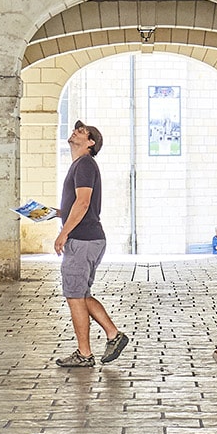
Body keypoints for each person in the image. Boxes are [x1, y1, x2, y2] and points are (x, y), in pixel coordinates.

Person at [53, 120, 130, 367]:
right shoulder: (80, 165)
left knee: (74, 296)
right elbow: (79, 205)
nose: (75, 131)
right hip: (89, 237)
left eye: (82, 131)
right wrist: (56, 213)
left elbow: (84, 203)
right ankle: (113, 335)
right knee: (80, 294)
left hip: (82, 239)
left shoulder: (85, 163)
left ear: (91, 143)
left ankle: (85, 354)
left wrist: (63, 233)